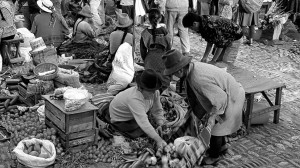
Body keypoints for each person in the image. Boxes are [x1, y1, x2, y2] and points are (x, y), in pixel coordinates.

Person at [162, 49, 245, 165]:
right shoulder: (192, 69)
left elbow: (220, 99)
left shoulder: (197, 78)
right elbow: (196, 96)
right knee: (216, 126)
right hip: (225, 93)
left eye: (172, 73)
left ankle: (214, 156)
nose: (172, 77)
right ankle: (222, 147)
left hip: (230, 97)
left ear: (180, 70)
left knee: (216, 129)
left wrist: (212, 117)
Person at [109, 69, 167, 148]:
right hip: (121, 119)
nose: (153, 93)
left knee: (151, 127)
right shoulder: (134, 99)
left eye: (154, 90)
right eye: (150, 91)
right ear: (140, 88)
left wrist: (160, 123)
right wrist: (159, 140)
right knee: (141, 132)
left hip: (133, 114)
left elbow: (157, 109)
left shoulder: (155, 92)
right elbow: (144, 122)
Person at [140, 8, 171, 91]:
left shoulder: (145, 33)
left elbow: (143, 51)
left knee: (150, 80)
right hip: (163, 58)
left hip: (150, 59)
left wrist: (146, 60)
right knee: (163, 80)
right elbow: (169, 48)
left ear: (148, 19)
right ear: (160, 18)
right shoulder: (166, 31)